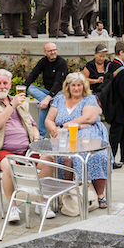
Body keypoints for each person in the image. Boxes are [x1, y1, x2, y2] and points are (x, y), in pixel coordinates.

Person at [0, 69, 40, 224]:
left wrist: (37, 140)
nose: (2, 86)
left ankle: (42, 201)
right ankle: (12, 207)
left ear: (10, 85)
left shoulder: (20, 103)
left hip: (26, 149)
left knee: (49, 158)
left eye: (5, 83)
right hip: (0, 151)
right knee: (9, 165)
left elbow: (32, 125)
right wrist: (12, 105)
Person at [46, 72, 113, 209]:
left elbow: (88, 118)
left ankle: (100, 194)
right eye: (73, 85)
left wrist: (62, 126)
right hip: (64, 136)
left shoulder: (89, 99)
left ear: (84, 86)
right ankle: (67, 193)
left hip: (89, 135)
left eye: (79, 85)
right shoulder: (59, 99)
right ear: (68, 86)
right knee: (62, 157)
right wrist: (53, 130)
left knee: (97, 156)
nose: (76, 88)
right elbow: (49, 119)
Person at [101, 41, 124, 168]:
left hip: (112, 104)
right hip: (119, 107)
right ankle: (109, 160)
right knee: (115, 135)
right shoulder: (121, 70)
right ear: (120, 52)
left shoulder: (110, 65)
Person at [23, 42, 68, 137]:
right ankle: (51, 102)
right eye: (50, 50)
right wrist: (22, 91)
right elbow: (33, 75)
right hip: (47, 91)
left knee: (43, 105)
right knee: (30, 88)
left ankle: (41, 135)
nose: (53, 52)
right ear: (45, 52)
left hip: (60, 93)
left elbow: (58, 84)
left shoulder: (61, 62)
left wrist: (47, 99)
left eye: (54, 50)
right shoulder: (43, 61)